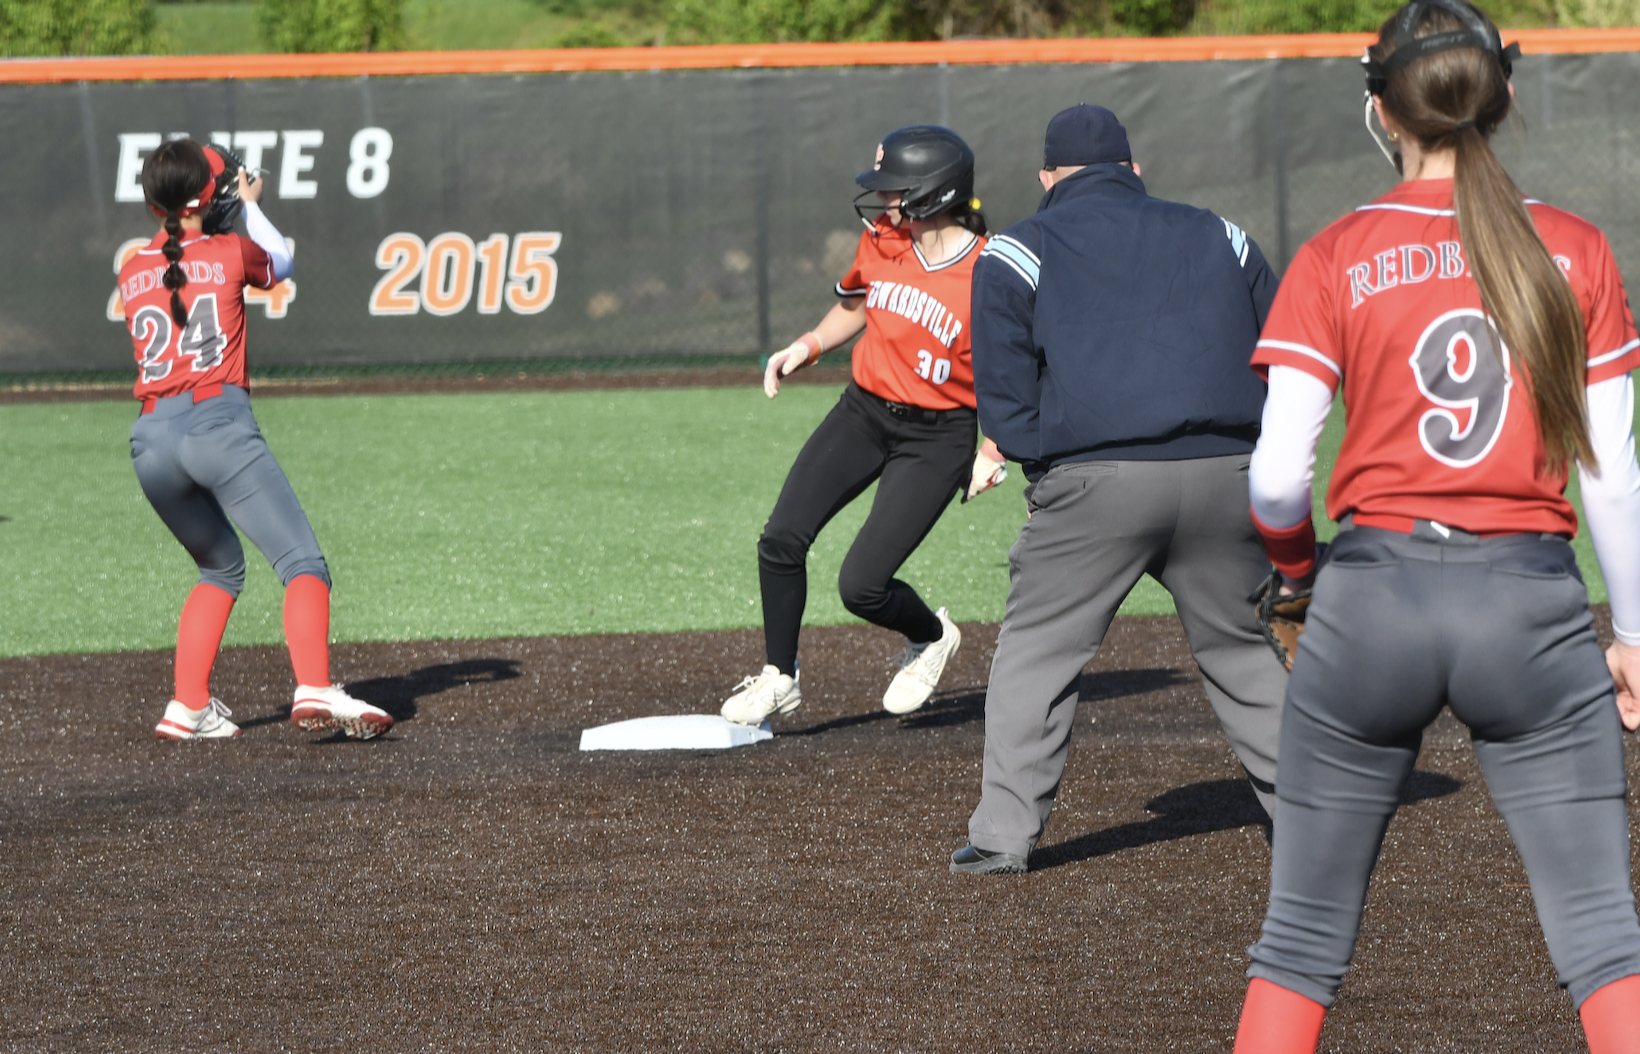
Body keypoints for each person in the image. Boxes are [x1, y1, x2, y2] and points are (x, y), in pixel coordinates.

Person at [1232, 3, 1640, 1050]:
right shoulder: (1576, 248)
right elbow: (1611, 480)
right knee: (1601, 937)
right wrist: (1632, 634)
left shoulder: (1334, 252)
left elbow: (1276, 477)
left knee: (1298, 944)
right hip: (1528, 605)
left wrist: (1295, 579)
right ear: (1502, 96)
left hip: (1371, 597)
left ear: (1381, 107)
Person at [951, 103, 1285, 875]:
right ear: (1134, 170)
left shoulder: (1018, 247)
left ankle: (1004, 839)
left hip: (1094, 482)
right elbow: (1284, 347)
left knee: (1037, 653)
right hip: (1227, 473)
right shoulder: (1219, 231)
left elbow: (1000, 392)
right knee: (1245, 650)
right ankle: (1314, 820)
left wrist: (1044, 468)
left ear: (1046, 177)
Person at [719, 125, 1008, 726]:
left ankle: (932, 637)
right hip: (865, 411)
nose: (883, 200)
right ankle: (780, 677)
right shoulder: (881, 240)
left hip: (938, 437)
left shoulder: (990, 272)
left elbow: (1018, 369)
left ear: (933, 194)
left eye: (895, 189)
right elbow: (856, 304)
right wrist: (809, 345)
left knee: (863, 587)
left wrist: (994, 447)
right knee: (780, 540)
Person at [121, 138, 393, 742]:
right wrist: (247, 203)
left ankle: (188, 706)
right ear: (205, 199)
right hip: (217, 424)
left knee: (219, 568)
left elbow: (181, 255)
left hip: (151, 440)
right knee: (303, 566)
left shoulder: (132, 266)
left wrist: (217, 204)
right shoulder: (230, 248)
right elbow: (281, 262)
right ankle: (315, 685)